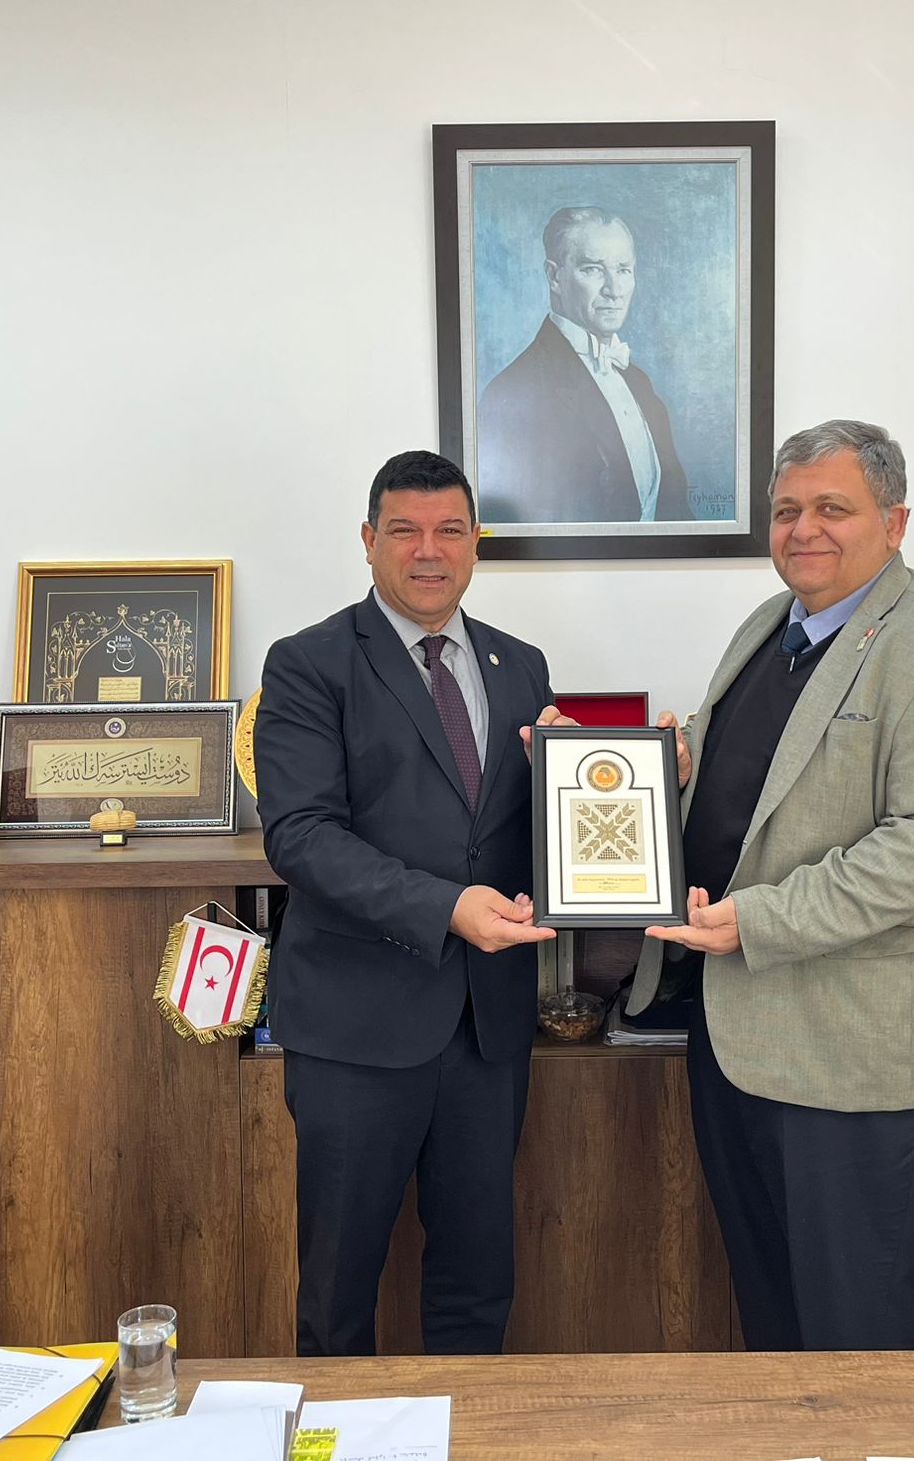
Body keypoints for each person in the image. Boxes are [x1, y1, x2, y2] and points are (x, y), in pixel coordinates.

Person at [629, 418, 914, 1352]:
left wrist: (757, 921)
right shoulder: (770, 627)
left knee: (859, 1339)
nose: (803, 529)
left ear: (895, 521)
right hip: (741, 1039)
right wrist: (652, 774)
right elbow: (755, 785)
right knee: (773, 1325)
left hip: (855, 1059)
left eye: (832, 509)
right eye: (786, 511)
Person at [254, 450, 565, 1357]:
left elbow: (530, 833)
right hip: (356, 1029)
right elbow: (301, 837)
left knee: (478, 1282)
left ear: (476, 542)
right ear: (368, 540)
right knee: (338, 1290)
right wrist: (446, 907)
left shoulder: (521, 666)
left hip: (486, 1030)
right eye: (405, 531)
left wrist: (604, 786)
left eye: (450, 531)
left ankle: (467, 1426)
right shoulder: (308, 664)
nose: (429, 551)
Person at [475, 206, 691, 524]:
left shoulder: (639, 382)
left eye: (623, 270)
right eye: (592, 269)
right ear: (554, 276)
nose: (614, 290)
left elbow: (675, 512)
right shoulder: (513, 391)